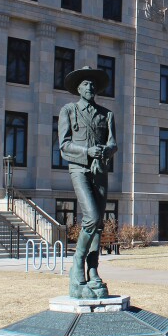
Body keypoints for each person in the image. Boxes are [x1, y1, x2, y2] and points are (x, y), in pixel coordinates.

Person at [58, 66, 117, 299]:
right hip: (79, 169)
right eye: (85, 84)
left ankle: (93, 270)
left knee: (98, 224)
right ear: (78, 89)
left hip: (100, 171)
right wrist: (88, 151)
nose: (90, 87)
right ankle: (77, 265)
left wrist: (105, 151)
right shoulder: (69, 111)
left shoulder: (107, 114)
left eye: (93, 84)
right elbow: (63, 146)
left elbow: (113, 143)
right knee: (91, 217)